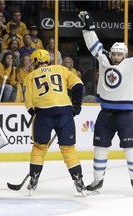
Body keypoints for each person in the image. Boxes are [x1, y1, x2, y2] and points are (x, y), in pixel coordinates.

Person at [78, 11, 133, 194]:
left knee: (132, 149)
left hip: (126, 114)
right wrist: (88, 28)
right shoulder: (104, 60)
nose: (115, 57)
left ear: (125, 55)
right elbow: (94, 45)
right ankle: (97, 181)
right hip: (105, 113)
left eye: (119, 54)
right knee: (100, 149)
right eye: (114, 54)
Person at [23, 49, 86, 195]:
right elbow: (79, 86)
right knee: (68, 147)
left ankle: (33, 179)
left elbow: (29, 104)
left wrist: (39, 115)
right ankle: (79, 181)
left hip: (43, 113)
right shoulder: (61, 69)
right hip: (64, 112)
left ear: (35, 62)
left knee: (39, 147)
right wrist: (76, 106)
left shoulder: (31, 76)